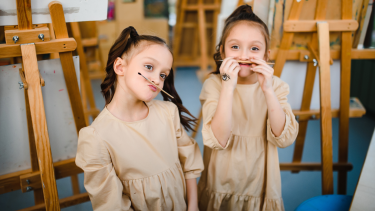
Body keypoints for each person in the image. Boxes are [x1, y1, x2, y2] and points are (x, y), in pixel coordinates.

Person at [76, 26, 204, 211]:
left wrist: (193, 207)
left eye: (163, 74)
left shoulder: (168, 112)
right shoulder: (96, 137)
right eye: (149, 67)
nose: (158, 79)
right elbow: (111, 204)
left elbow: (189, 165)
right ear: (120, 67)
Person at [197, 5, 299, 211]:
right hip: (220, 182)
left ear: (266, 55)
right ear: (221, 51)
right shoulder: (214, 85)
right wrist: (228, 85)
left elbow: (283, 138)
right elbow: (218, 140)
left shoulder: (277, 86)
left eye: (254, 48)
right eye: (235, 47)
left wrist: (268, 90)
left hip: (260, 185)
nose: (244, 54)